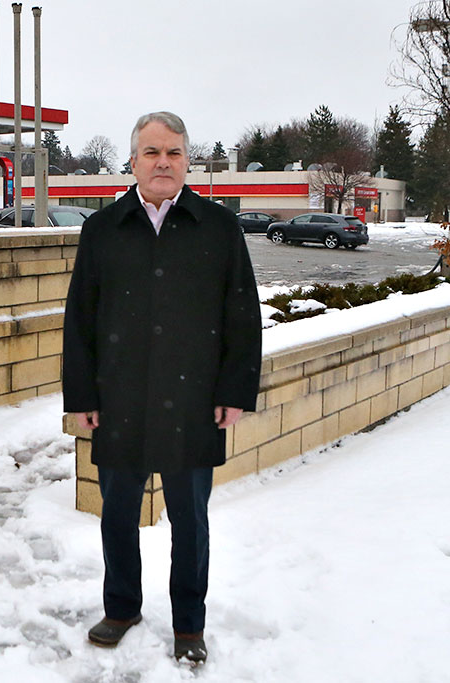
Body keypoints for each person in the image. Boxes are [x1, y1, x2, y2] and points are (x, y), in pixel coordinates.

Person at [63, 111, 262, 665]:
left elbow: (243, 315)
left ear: (187, 161)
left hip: (194, 402)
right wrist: (82, 397)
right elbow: (80, 319)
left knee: (190, 521)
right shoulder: (101, 230)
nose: (163, 163)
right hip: (119, 400)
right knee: (118, 515)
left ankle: (189, 623)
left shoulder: (219, 228)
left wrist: (235, 390)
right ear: (132, 162)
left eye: (173, 153)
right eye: (152, 153)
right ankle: (122, 607)